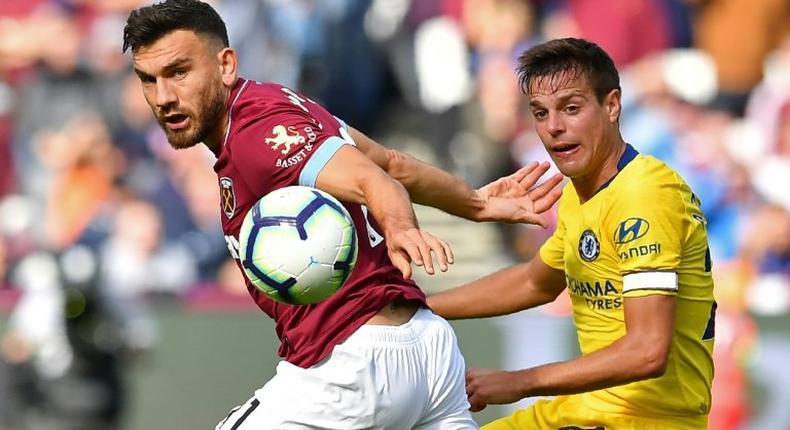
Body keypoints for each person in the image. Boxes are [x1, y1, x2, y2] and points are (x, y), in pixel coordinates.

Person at [121, 1, 562, 428]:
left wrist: (400, 226)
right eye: (149, 79)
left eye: (179, 72)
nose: (163, 97)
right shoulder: (279, 102)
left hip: (352, 366)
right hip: (430, 353)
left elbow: (377, 180)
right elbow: (392, 161)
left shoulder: (259, 134)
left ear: (226, 65)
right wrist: (476, 203)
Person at [428, 38, 716, 429]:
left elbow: (648, 351)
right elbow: (535, 283)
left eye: (571, 108)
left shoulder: (643, 193)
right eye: (540, 113)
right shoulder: (581, 195)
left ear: (612, 105)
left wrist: (520, 382)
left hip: (645, 420)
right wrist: (417, 305)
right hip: (584, 413)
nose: (554, 128)